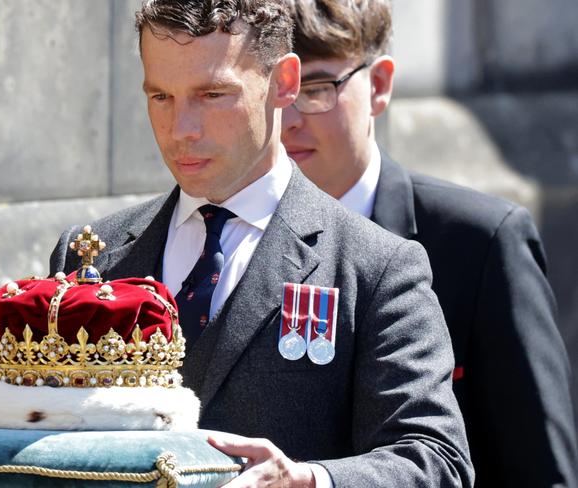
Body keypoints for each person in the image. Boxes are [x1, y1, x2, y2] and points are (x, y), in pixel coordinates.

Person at [47, 1, 474, 486]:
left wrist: (309, 480)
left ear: (284, 83)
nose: (180, 129)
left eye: (212, 94)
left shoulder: (376, 266)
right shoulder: (90, 255)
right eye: (160, 96)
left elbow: (435, 459)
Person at [280, 1, 578, 487]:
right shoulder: (233, 238)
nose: (290, 119)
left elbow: (542, 471)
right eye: (276, 92)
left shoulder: (482, 242)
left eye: (315, 90)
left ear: (378, 85)